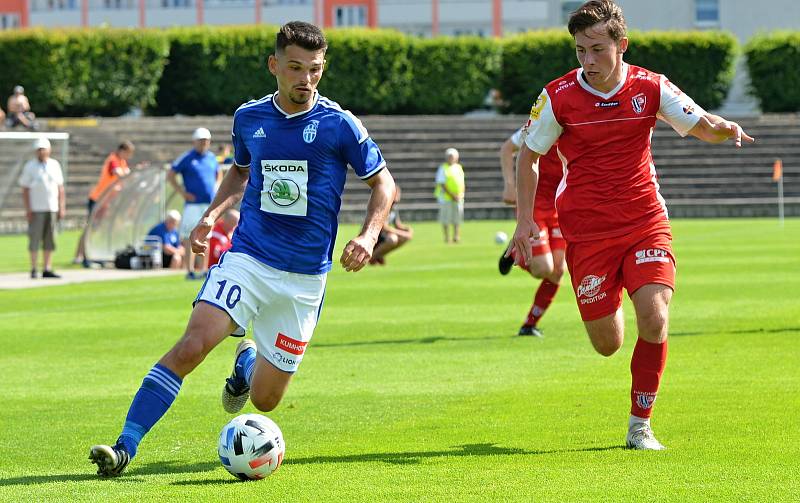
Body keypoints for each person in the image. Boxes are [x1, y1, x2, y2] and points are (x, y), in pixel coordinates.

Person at [89, 21, 396, 477]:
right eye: (294, 68)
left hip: (304, 280)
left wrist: (369, 235)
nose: (304, 79)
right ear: (274, 65)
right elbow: (239, 171)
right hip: (248, 259)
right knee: (192, 346)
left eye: (314, 69)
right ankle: (125, 446)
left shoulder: (339, 124)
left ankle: (245, 361)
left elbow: (384, 184)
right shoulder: (249, 118)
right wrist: (211, 215)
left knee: (265, 399)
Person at [509, 0, 754, 450]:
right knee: (607, 344)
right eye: (580, 50)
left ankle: (640, 426)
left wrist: (724, 128)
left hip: (645, 220)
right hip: (587, 232)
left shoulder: (651, 87)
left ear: (621, 45)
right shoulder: (558, 96)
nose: (588, 60)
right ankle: (614, 290)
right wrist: (525, 220)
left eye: (597, 49)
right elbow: (528, 156)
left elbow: (700, 122)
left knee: (656, 318)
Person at [498, 128, 566, 337]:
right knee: (543, 269)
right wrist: (510, 186)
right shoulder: (539, 122)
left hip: (559, 207)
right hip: (533, 206)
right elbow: (507, 149)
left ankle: (529, 325)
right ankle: (516, 252)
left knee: (558, 271)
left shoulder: (580, 123)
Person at [167, 127, 222, 279]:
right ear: (194, 141)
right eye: (201, 141)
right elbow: (171, 174)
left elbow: (219, 173)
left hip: (208, 204)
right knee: (188, 236)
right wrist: (182, 192)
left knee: (206, 236)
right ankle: (189, 270)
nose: (203, 143)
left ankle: (204, 269)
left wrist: (216, 186)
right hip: (192, 204)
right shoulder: (187, 157)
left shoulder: (211, 158)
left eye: (206, 141)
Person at [73, 141, 135, 267]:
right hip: (98, 199)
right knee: (90, 228)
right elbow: (119, 174)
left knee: (94, 229)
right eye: (128, 153)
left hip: (106, 201)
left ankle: (80, 255)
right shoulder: (113, 160)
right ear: (122, 151)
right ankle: (84, 256)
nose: (129, 157)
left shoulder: (122, 162)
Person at [18, 138, 65, 279]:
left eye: (44, 149)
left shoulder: (54, 165)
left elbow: (60, 187)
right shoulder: (30, 166)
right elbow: (25, 189)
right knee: (35, 239)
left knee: (50, 239)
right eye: (39, 149)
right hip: (36, 208)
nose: (42, 152)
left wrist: (61, 206)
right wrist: (28, 209)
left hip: (52, 207)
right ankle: (33, 268)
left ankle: (47, 268)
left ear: (49, 150)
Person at [370, 186, 413, 265]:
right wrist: (402, 233)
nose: (398, 196)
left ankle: (379, 255)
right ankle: (372, 258)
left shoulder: (394, 207)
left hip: (383, 235)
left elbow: (398, 224)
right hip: (375, 236)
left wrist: (407, 229)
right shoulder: (384, 205)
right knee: (392, 239)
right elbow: (384, 227)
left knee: (405, 237)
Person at [434, 147, 465, 243]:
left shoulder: (459, 167)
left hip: (458, 197)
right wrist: (452, 195)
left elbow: (462, 182)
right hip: (446, 198)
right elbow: (442, 184)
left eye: (452, 156)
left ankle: (456, 236)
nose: (451, 158)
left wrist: (461, 194)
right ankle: (447, 237)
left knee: (457, 218)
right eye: (449, 156)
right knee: (446, 218)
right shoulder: (443, 168)